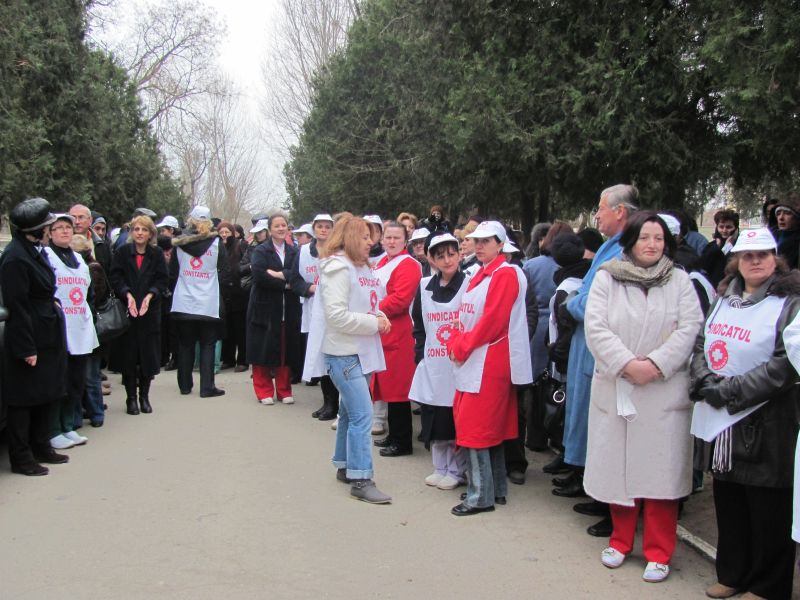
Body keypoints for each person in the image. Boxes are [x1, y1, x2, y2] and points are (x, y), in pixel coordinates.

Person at [583, 212, 703, 584]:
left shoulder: (679, 280)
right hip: (619, 385)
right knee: (618, 471)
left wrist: (655, 364)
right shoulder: (608, 277)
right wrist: (626, 364)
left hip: (662, 390)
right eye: (644, 237)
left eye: (659, 238)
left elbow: (690, 327)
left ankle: (658, 551)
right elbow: (596, 326)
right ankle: (620, 542)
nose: (652, 245)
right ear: (631, 240)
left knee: (661, 474)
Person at [690, 228, 800, 600]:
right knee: (730, 498)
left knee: (767, 505)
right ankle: (733, 573)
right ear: (735, 260)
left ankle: (768, 586)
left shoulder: (791, 303)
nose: (756, 261)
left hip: (768, 421)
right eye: (748, 255)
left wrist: (732, 391)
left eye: (763, 254)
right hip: (723, 420)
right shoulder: (724, 297)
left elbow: (786, 365)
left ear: (775, 258)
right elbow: (703, 342)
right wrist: (705, 379)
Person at [563, 184, 637, 537]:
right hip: (588, 345)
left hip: (605, 352)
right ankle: (598, 493)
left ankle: (614, 509)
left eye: (600, 208)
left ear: (620, 211)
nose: (596, 216)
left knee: (608, 432)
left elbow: (596, 301)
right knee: (594, 426)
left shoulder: (625, 249)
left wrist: (572, 303)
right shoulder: (612, 244)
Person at [303, 215, 392, 503]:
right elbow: (337, 316)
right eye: (365, 237)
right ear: (352, 237)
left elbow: (368, 303)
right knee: (362, 416)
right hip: (345, 353)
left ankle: (344, 465)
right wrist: (373, 323)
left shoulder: (358, 267)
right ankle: (361, 477)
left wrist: (379, 316)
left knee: (350, 413)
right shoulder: (338, 268)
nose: (371, 242)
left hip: (358, 351)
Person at [446, 221, 533, 516]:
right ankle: (494, 488)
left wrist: (462, 344)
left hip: (490, 359)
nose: (479, 245)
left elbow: (493, 322)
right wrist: (460, 338)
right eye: (476, 240)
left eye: (486, 240)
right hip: (475, 357)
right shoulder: (478, 274)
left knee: (477, 428)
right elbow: (464, 314)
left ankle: (480, 495)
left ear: (500, 243)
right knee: (486, 428)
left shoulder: (506, 273)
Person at [1, 198, 69, 475]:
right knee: (23, 399)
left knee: (46, 393)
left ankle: (42, 445)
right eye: (47, 226)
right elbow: (17, 306)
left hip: (46, 330)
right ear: (37, 229)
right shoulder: (15, 257)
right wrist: (26, 347)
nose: (50, 229)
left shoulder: (35, 250)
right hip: (29, 335)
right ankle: (21, 457)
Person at [410, 232, 469, 490]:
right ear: (431, 259)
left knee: (454, 418)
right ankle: (439, 466)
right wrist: (421, 353)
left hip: (458, 363)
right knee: (434, 416)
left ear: (459, 254)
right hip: (432, 362)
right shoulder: (424, 287)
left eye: (451, 254)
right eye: (440, 256)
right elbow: (419, 325)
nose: (447, 260)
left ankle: (457, 470)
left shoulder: (470, 284)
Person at [44, 214, 99, 449]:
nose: (65, 231)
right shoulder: (46, 257)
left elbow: (88, 293)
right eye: (59, 228)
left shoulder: (78, 258)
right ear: (50, 232)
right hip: (59, 328)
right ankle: (53, 429)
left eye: (68, 227)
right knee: (59, 382)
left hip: (80, 326)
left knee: (76, 381)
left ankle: (68, 426)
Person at [169, 207, 232, 398]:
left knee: (185, 344)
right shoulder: (216, 243)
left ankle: (185, 385)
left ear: (191, 221)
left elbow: (172, 273)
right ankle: (207, 387)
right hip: (208, 303)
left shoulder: (179, 244)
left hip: (184, 302)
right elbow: (225, 271)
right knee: (208, 345)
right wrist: (210, 284)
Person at [371, 222, 422, 454]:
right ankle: (393, 435)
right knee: (388, 388)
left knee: (399, 390)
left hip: (400, 332)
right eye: (388, 237)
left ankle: (402, 442)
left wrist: (371, 309)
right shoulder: (382, 261)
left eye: (396, 237)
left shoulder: (409, 264)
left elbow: (400, 300)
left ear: (405, 240)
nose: (391, 241)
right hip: (383, 330)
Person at [109, 215, 168, 415]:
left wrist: (151, 295)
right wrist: (127, 294)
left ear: (151, 233)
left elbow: (162, 279)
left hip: (149, 312)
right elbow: (115, 277)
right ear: (132, 232)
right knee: (129, 355)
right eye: (136, 229)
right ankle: (131, 398)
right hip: (129, 311)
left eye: (144, 230)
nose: (140, 233)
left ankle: (144, 396)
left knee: (148, 356)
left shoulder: (157, 253)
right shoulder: (123, 252)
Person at [522, 221, 573, 453]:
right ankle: (556, 431)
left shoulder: (531, 265)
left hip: (535, 327)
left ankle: (534, 436)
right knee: (555, 382)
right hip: (559, 328)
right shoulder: (571, 270)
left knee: (534, 384)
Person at [247, 213, 303, 405]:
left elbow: (296, 275)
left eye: (284, 225)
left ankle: (284, 389)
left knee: (285, 348)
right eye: (277, 226)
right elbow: (260, 276)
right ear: (270, 229)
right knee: (262, 348)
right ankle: (263, 390)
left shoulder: (294, 251)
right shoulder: (261, 251)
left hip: (289, 309)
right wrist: (285, 283)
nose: (281, 228)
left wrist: (279, 274)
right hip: (264, 307)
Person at [292, 214, 339, 420]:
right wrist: (307, 288)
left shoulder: (339, 251)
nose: (323, 230)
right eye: (319, 226)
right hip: (312, 308)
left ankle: (336, 403)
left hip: (333, 311)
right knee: (318, 355)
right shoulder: (303, 252)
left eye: (327, 227)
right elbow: (294, 278)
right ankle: (327, 400)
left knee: (332, 355)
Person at [217, 221, 248, 372]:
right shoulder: (217, 248)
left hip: (239, 293)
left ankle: (242, 360)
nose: (224, 235)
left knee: (240, 329)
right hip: (224, 293)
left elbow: (244, 265)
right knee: (226, 328)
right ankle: (228, 358)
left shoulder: (240, 246)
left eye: (226, 232)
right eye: (221, 232)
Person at [700, 209, 739, 288]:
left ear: (736, 229)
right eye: (721, 227)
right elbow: (703, 264)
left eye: (728, 227)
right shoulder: (711, 246)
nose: (724, 230)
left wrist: (729, 246)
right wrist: (716, 247)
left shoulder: (739, 246)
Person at [772, 197, 800, 269]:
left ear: (797, 218)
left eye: (787, 213)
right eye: (778, 213)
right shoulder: (770, 236)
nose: (781, 217)